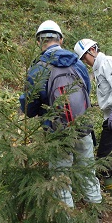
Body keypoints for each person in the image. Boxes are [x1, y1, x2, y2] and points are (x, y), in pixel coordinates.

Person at [23, 20, 102, 210]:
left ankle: (65, 221)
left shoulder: (38, 69)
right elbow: (87, 91)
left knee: (61, 176)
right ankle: (96, 209)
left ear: (39, 42)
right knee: (88, 170)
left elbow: (30, 106)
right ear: (61, 39)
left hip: (57, 132)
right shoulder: (78, 64)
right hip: (83, 127)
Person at [74, 39, 112, 197]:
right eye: (82, 59)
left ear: (93, 50)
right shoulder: (98, 68)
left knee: (104, 158)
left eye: (85, 57)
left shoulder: (107, 62)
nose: (85, 61)